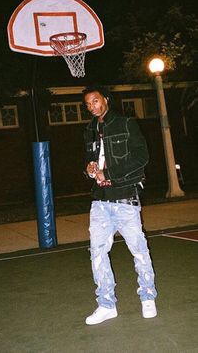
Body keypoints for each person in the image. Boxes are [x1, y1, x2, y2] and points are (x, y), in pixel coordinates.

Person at [82, 85, 157, 325]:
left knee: (138, 250)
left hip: (125, 198)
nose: (92, 106)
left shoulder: (126, 123)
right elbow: (91, 161)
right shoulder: (89, 131)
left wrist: (110, 173)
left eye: (95, 101)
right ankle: (106, 304)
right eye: (87, 104)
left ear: (105, 99)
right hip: (100, 201)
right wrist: (90, 169)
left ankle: (147, 297)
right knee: (97, 253)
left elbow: (141, 157)